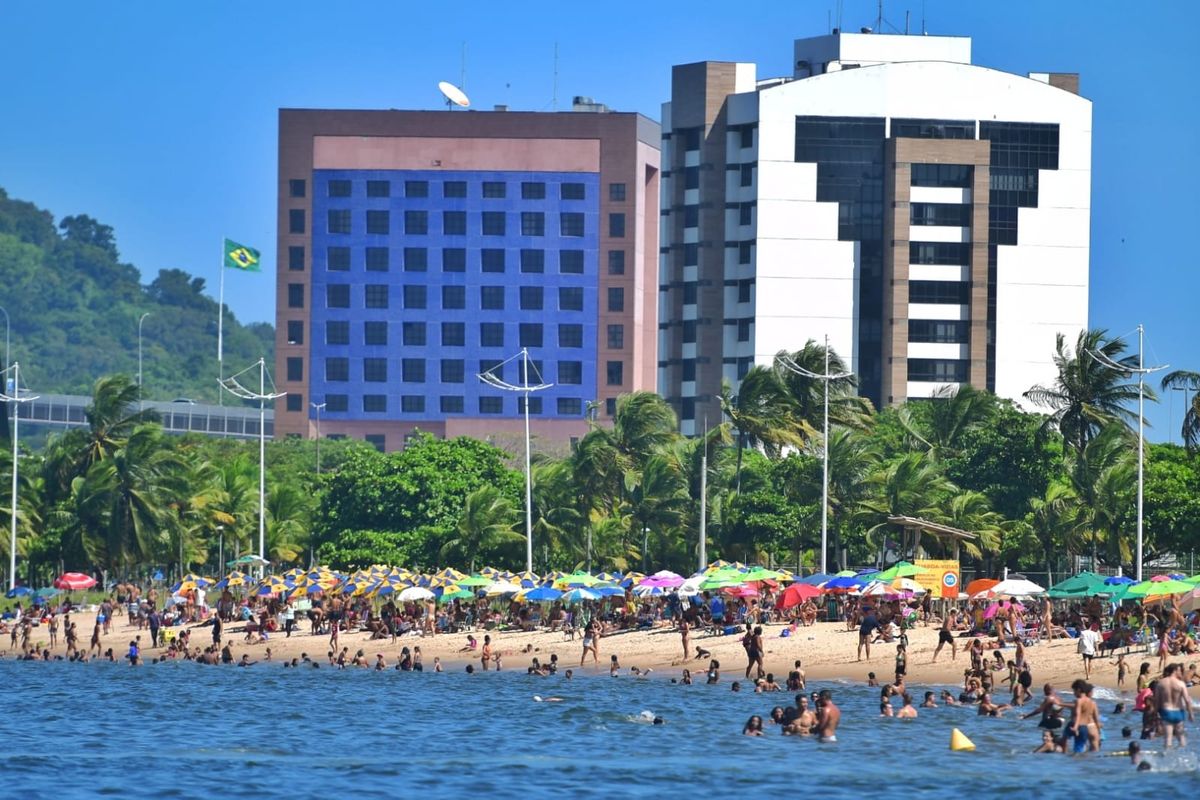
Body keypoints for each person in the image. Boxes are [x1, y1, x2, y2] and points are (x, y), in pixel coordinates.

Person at [1154, 662, 1194, 748]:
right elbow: (1187, 700)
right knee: (1181, 737)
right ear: (1175, 670)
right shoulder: (1180, 684)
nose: (1180, 672)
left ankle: (1167, 760)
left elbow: (1157, 700)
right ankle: (1184, 757)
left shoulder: (1161, 683)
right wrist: (1190, 714)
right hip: (1179, 712)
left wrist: (1155, 713)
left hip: (1166, 711)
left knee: (1168, 738)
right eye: (1179, 670)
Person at [1067, 679, 1101, 753]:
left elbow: (1077, 714)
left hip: (1083, 726)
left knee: (1081, 749)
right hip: (1092, 727)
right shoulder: (1093, 703)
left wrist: (1060, 704)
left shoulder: (1079, 701)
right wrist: (1099, 732)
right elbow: (1097, 720)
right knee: (1095, 750)